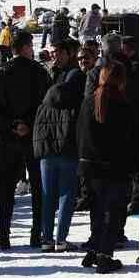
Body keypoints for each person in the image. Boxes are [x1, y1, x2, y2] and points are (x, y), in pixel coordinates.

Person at [0, 31, 50, 249]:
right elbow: (46, 104)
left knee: (6, 188)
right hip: (33, 137)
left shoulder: (1, 73)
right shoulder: (39, 72)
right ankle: (37, 233)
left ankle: (3, 235)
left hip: (6, 136)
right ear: (26, 47)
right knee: (37, 187)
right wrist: (27, 124)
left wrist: (11, 124)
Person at [77, 60, 139, 273]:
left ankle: (94, 248)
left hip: (90, 166)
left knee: (97, 210)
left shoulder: (89, 101)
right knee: (114, 212)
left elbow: (80, 135)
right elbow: (131, 140)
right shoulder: (124, 105)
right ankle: (104, 254)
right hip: (116, 167)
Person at [33, 41, 84, 252]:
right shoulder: (77, 79)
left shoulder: (48, 80)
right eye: (53, 52)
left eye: (58, 52)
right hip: (66, 144)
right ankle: (60, 239)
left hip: (47, 145)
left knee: (48, 195)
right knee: (66, 195)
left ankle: (46, 238)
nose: (55, 56)